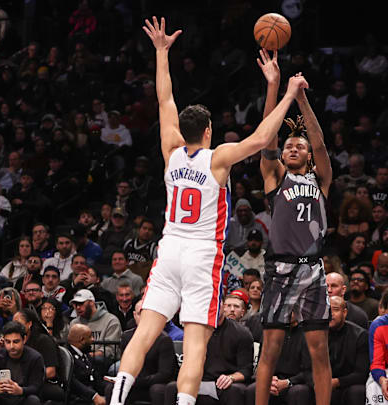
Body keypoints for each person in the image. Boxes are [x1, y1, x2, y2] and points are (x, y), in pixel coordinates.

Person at [110, 17, 306, 405]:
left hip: (169, 250)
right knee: (196, 338)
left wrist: (161, 53)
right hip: (202, 254)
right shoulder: (219, 160)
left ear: (184, 130)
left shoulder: (170, 151)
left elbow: (165, 99)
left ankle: (117, 399)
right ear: (209, 131)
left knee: (146, 330)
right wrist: (287, 90)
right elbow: (265, 137)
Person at [255, 46, 333, 405]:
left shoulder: (321, 181)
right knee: (270, 349)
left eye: (298, 146)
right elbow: (266, 137)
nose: (293, 148)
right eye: (288, 146)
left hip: (314, 269)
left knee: (319, 351)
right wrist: (275, 88)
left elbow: (319, 142)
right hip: (281, 267)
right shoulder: (274, 178)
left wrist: (302, 99)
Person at [165, 301, 252, 405]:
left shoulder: (241, 333)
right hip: (197, 381)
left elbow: (246, 370)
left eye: (215, 303)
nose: (212, 308)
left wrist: (231, 377)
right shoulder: (193, 331)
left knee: (234, 390)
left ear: (223, 306)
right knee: (172, 387)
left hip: (222, 383)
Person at [104, 300, 175, 405]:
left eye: (147, 314)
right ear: (134, 315)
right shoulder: (126, 337)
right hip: (134, 384)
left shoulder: (164, 340)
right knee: (111, 388)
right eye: (140, 314)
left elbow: (164, 375)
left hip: (152, 384)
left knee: (157, 390)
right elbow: (125, 365)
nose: (144, 318)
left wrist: (135, 382)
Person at [0, 321, 44, 405]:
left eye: (16, 342)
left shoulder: (35, 358)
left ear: (24, 339)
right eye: (8, 342)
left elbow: (36, 387)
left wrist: (21, 390)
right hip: (2, 396)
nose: (11, 346)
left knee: (33, 400)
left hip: (23, 396)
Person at [326, 296, 369, 405]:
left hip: (349, 384)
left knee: (356, 391)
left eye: (335, 310)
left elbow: (361, 373)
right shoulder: (318, 334)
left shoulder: (360, 335)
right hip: (324, 382)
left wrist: (337, 382)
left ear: (344, 312)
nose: (331, 314)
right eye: (328, 310)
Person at [70, 290, 122, 360]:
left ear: (91, 302)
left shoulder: (111, 320)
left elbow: (110, 350)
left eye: (81, 303)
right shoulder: (74, 323)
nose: (78, 307)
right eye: (75, 304)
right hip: (79, 361)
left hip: (105, 362)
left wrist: (87, 357)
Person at [65, 324, 109, 405]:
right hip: (78, 399)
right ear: (82, 340)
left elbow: (96, 380)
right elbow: (72, 383)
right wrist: (93, 396)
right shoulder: (67, 357)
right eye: (90, 337)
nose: (93, 339)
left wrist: (112, 389)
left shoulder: (85, 354)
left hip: (91, 396)